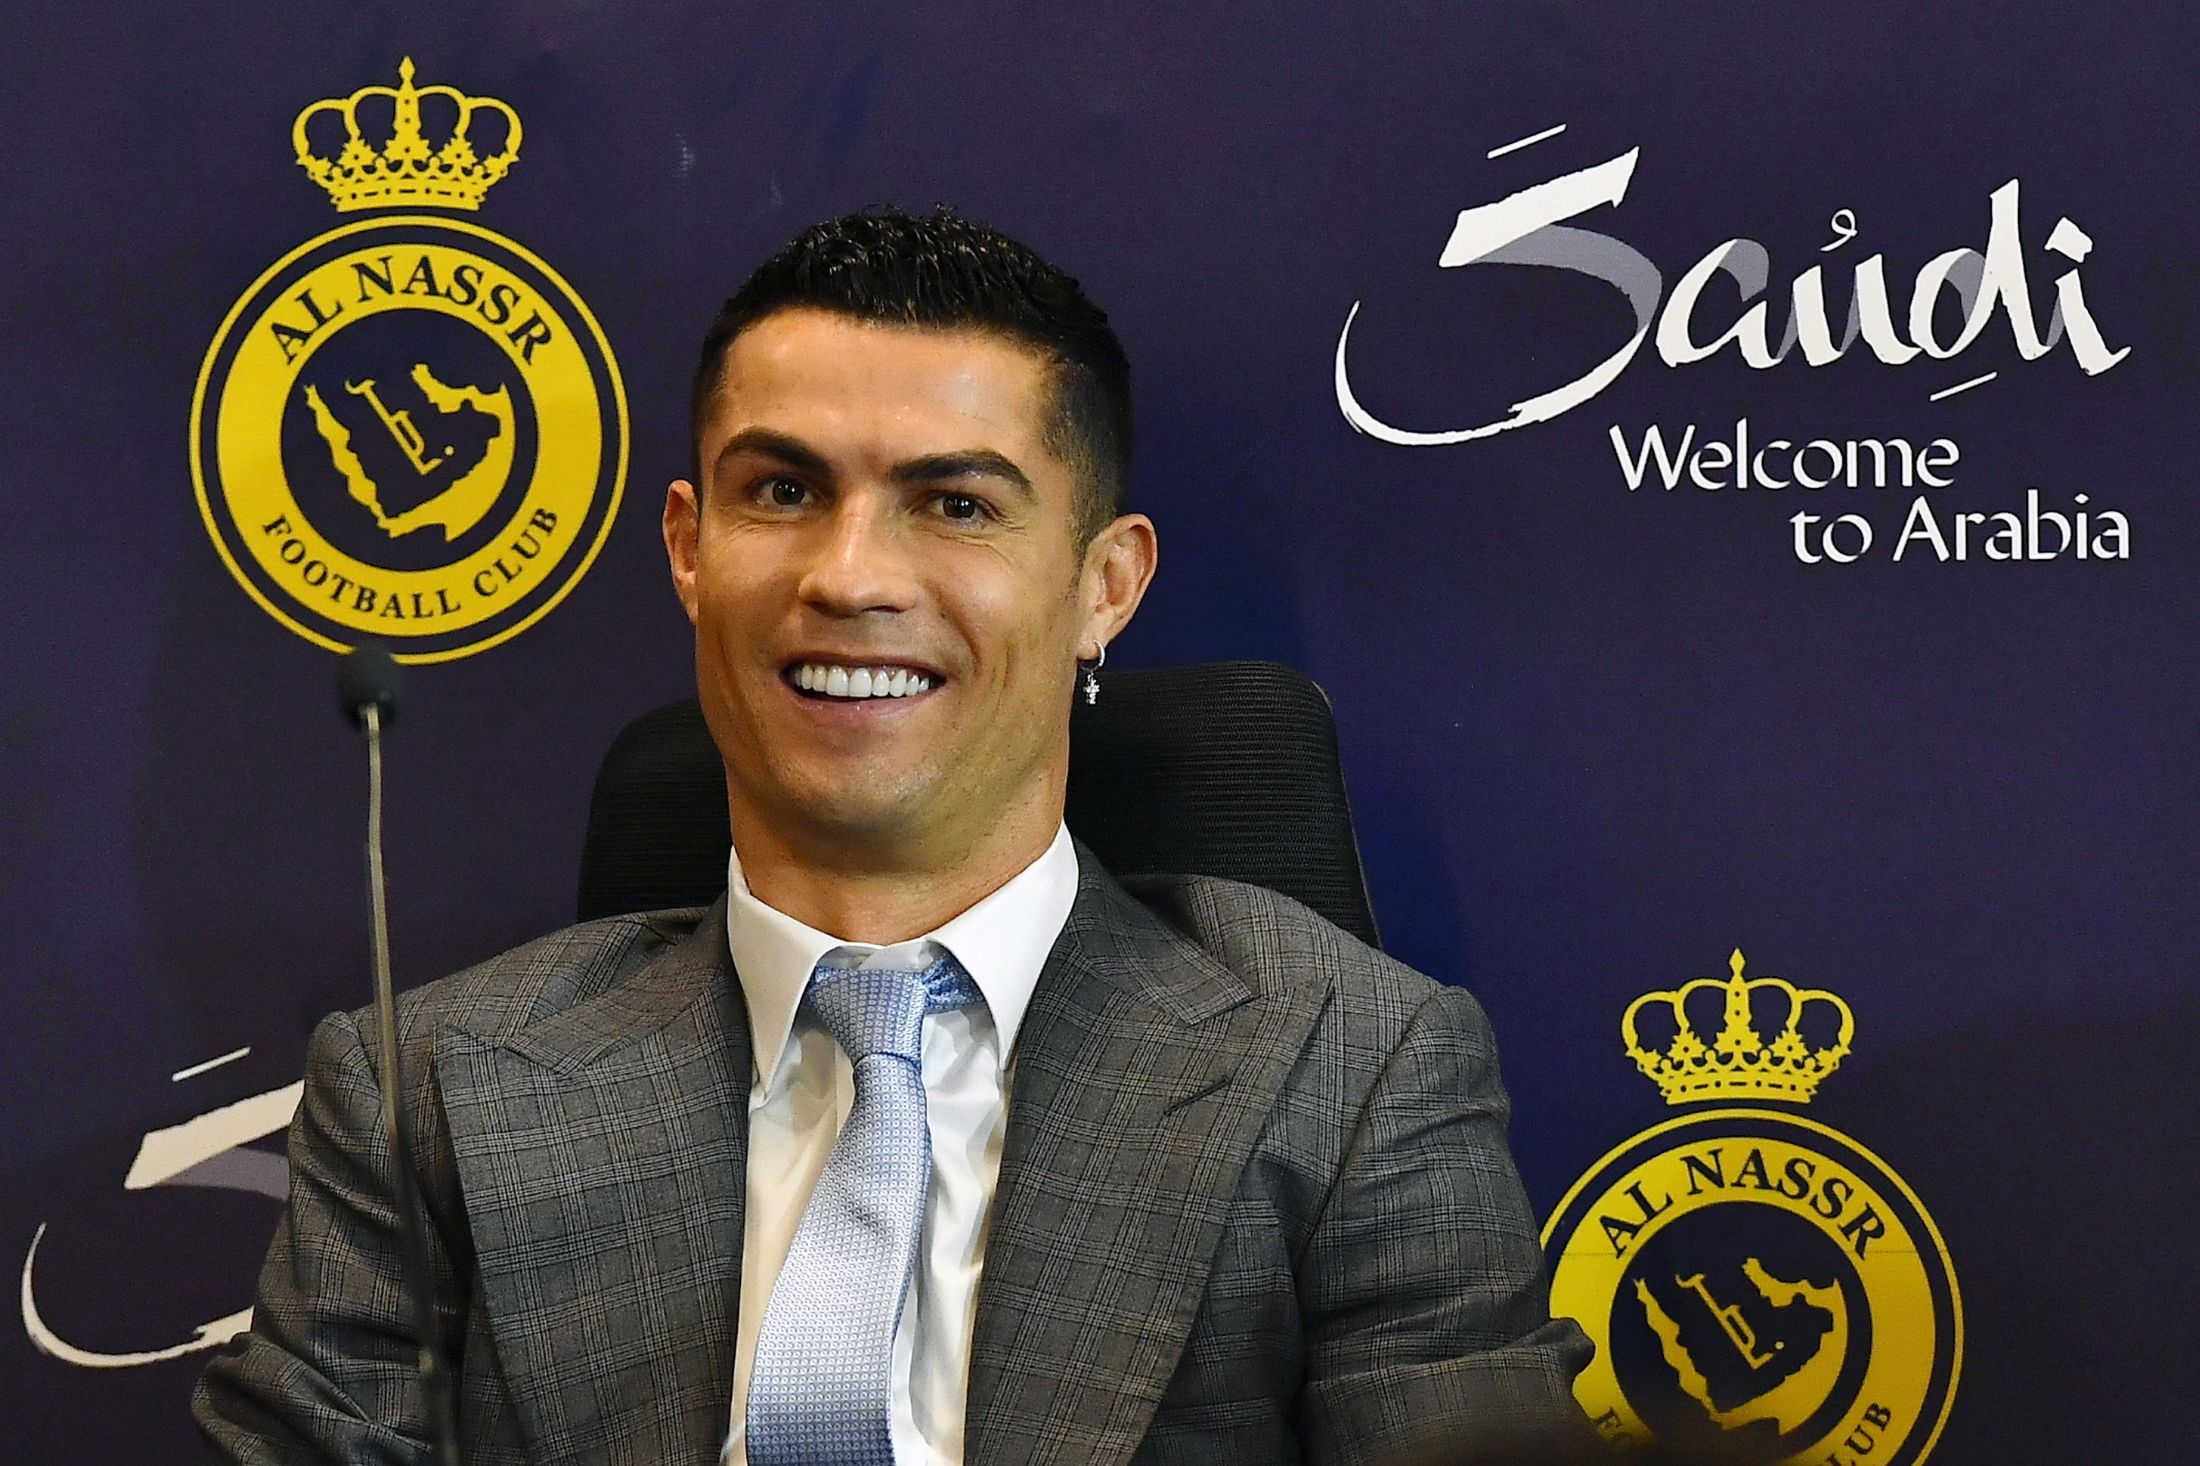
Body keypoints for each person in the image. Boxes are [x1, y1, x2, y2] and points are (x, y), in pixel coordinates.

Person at [194, 209, 1596, 1465]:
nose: (850, 575)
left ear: (1104, 586)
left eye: (956, 505)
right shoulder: (421, 1091)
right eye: (782, 492)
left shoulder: (1355, 1069)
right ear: (689, 548)